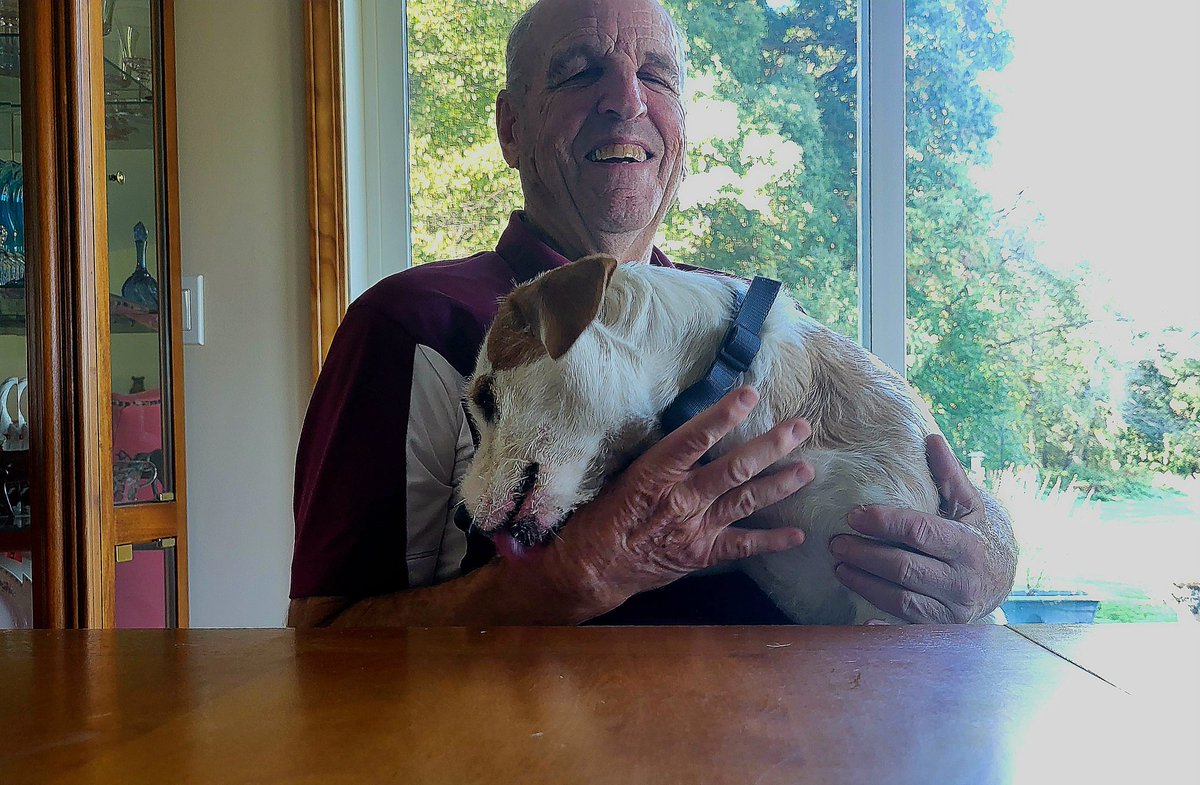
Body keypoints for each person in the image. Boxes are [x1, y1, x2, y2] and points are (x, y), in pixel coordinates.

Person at [288, 0, 1017, 628]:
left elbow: (927, 469)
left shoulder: (751, 323)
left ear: (684, 129)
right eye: (579, 70)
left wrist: (993, 559)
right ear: (510, 129)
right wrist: (566, 582)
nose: (626, 101)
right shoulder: (414, 325)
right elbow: (322, 642)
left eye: (657, 77)